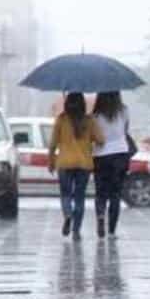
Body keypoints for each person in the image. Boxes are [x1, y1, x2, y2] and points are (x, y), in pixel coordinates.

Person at [49, 93, 105, 240]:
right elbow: (101, 140)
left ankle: (68, 215)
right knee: (79, 197)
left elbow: (52, 144)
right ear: (83, 104)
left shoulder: (61, 119)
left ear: (67, 104)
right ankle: (76, 231)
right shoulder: (89, 120)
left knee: (66, 195)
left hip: (64, 163)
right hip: (83, 164)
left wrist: (51, 162)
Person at [92, 91, 131, 239]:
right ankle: (112, 231)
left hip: (100, 156)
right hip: (120, 153)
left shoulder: (95, 115)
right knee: (115, 194)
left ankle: (101, 215)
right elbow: (126, 130)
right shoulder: (124, 110)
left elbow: (94, 136)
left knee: (100, 193)